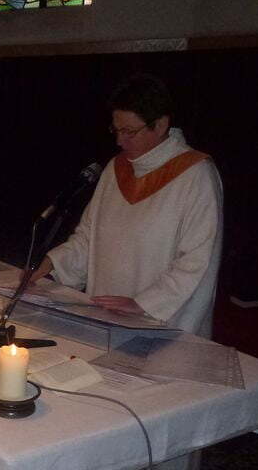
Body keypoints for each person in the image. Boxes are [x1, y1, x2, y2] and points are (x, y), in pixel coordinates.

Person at [30, 73, 223, 338]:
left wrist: (145, 304)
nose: (120, 141)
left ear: (160, 125)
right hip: (107, 314)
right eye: (116, 130)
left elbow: (198, 260)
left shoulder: (196, 175)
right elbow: (89, 237)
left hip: (161, 321)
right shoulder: (115, 169)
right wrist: (52, 264)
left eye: (129, 131)